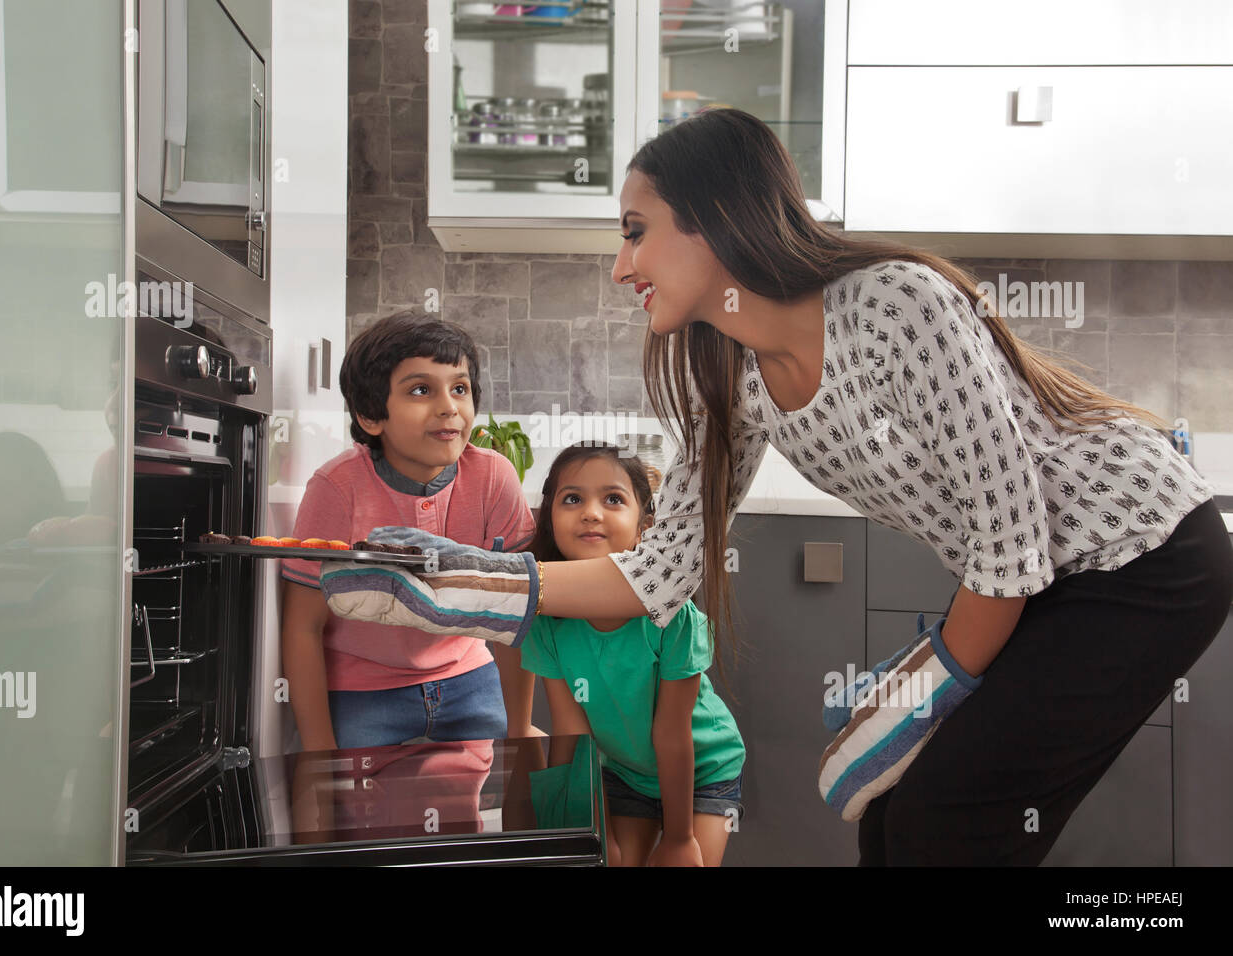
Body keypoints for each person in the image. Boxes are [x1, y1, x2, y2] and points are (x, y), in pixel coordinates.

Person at [318, 109, 1232, 866]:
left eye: (636, 231)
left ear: (712, 219)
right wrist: (471, 584)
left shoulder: (895, 302)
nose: (621, 266)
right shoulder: (732, 377)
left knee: (949, 823)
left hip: (1146, 554)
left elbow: (1011, 540)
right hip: (1034, 579)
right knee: (896, 822)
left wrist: (920, 700)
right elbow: (662, 568)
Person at [280, 310, 537, 752]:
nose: (449, 407)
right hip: (362, 691)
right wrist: (318, 752)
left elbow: (516, 612)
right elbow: (303, 626)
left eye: (460, 388)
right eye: (422, 390)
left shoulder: (494, 476)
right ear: (370, 415)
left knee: (469, 816)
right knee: (368, 820)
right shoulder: (336, 488)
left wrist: (521, 728)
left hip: (469, 678)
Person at [517, 441, 745, 867]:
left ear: (645, 527)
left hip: (704, 772)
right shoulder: (546, 620)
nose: (590, 512)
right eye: (572, 499)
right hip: (624, 773)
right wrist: (575, 824)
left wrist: (678, 840)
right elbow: (572, 734)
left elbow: (673, 737)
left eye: (613, 499)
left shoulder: (672, 617)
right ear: (549, 516)